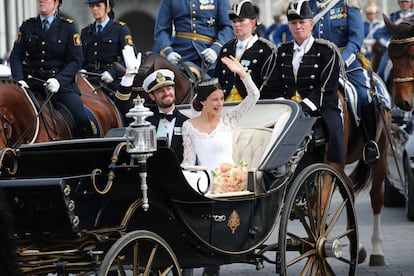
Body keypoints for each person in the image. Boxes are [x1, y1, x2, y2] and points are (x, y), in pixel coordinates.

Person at [181, 55, 259, 276]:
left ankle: (210, 259)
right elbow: (188, 161)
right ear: (202, 101)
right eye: (214, 99)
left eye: (222, 98)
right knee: (186, 187)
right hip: (204, 179)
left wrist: (243, 74)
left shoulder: (229, 119)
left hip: (231, 179)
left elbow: (254, 96)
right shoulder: (189, 126)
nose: (220, 104)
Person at [264, 0, 344, 171]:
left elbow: (326, 89)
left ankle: (360, 149)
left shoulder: (327, 51)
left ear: (311, 24)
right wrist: (283, 106)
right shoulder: (282, 51)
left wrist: (300, 109)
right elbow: (273, 85)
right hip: (288, 110)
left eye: (302, 22)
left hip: (317, 109)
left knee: (340, 125)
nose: (298, 26)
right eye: (293, 23)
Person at [308, 0, 380, 164]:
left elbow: (356, 39)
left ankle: (369, 143)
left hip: (345, 62)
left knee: (363, 96)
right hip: (314, 62)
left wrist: (341, 61)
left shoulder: (348, 4)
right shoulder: (308, 5)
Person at [9, 0, 92, 138]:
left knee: (81, 118)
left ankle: (88, 154)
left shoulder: (68, 27)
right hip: (32, 86)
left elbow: (76, 60)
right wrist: (19, 80)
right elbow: (16, 56)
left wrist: (59, 80)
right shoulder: (27, 26)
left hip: (61, 87)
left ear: (56, 3)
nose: (41, 1)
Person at [81, 0, 136, 126]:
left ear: (108, 7)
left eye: (98, 6)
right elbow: (80, 57)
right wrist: (81, 70)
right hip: (89, 79)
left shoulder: (120, 29)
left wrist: (112, 72)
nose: (94, 9)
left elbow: (130, 56)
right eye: (92, 6)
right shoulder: (86, 31)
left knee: (125, 110)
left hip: (111, 82)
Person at [214, 0, 277, 102]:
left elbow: (270, 87)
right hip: (224, 107)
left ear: (253, 22)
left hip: (254, 108)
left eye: (241, 20)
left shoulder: (267, 50)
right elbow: (218, 81)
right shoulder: (226, 48)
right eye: (234, 21)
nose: (237, 25)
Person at [153, 0, 234, 76]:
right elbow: (161, 30)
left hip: (209, 56)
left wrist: (216, 49)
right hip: (180, 55)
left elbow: (228, 27)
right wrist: (168, 52)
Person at [142, 69, 189, 163]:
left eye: (169, 88)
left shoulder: (187, 123)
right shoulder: (145, 123)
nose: (167, 93)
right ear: (152, 96)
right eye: (161, 91)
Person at [372, 0, 413, 79]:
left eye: (406, 2)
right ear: (399, 3)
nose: (404, 4)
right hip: (395, 49)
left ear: (411, 3)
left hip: (411, 49)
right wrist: (388, 43)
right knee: (381, 71)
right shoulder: (394, 17)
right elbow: (378, 33)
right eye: (402, 2)